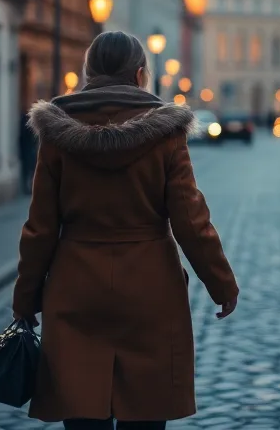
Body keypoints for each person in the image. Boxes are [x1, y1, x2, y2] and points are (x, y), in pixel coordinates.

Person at [13, 31, 240, 430]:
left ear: (88, 73)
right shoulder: (167, 133)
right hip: (150, 288)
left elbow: (40, 227)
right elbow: (191, 219)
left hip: (76, 285)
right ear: (140, 74)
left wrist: (25, 297)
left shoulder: (56, 133)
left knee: (82, 412)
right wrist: (222, 284)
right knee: (145, 415)